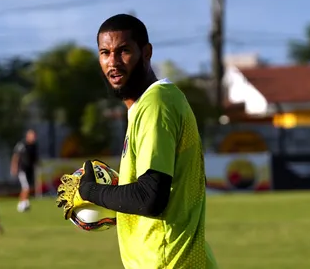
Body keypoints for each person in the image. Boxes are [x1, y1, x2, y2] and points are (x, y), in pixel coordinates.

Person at [55, 14, 218, 268]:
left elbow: (150, 197)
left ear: (146, 52)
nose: (113, 62)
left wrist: (90, 192)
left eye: (123, 51)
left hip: (166, 262)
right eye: (105, 53)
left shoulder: (156, 104)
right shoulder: (150, 105)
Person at [11, 129, 39, 212]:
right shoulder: (22, 145)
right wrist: (14, 167)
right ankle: (22, 204)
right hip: (22, 169)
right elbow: (16, 156)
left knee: (29, 187)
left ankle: (23, 202)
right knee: (26, 187)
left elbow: (35, 158)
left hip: (30, 169)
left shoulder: (34, 146)